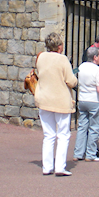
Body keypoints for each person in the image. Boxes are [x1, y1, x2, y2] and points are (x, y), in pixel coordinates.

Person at [34, 33, 78, 176]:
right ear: (59, 46)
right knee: (63, 134)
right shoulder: (62, 59)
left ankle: (47, 167)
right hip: (60, 100)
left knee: (49, 135)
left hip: (44, 98)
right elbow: (71, 81)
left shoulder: (41, 57)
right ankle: (60, 166)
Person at [72, 46, 99, 162]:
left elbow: (72, 73)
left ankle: (78, 153)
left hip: (82, 99)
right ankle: (90, 154)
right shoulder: (98, 70)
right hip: (95, 101)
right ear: (95, 57)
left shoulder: (81, 67)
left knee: (82, 127)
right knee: (94, 128)